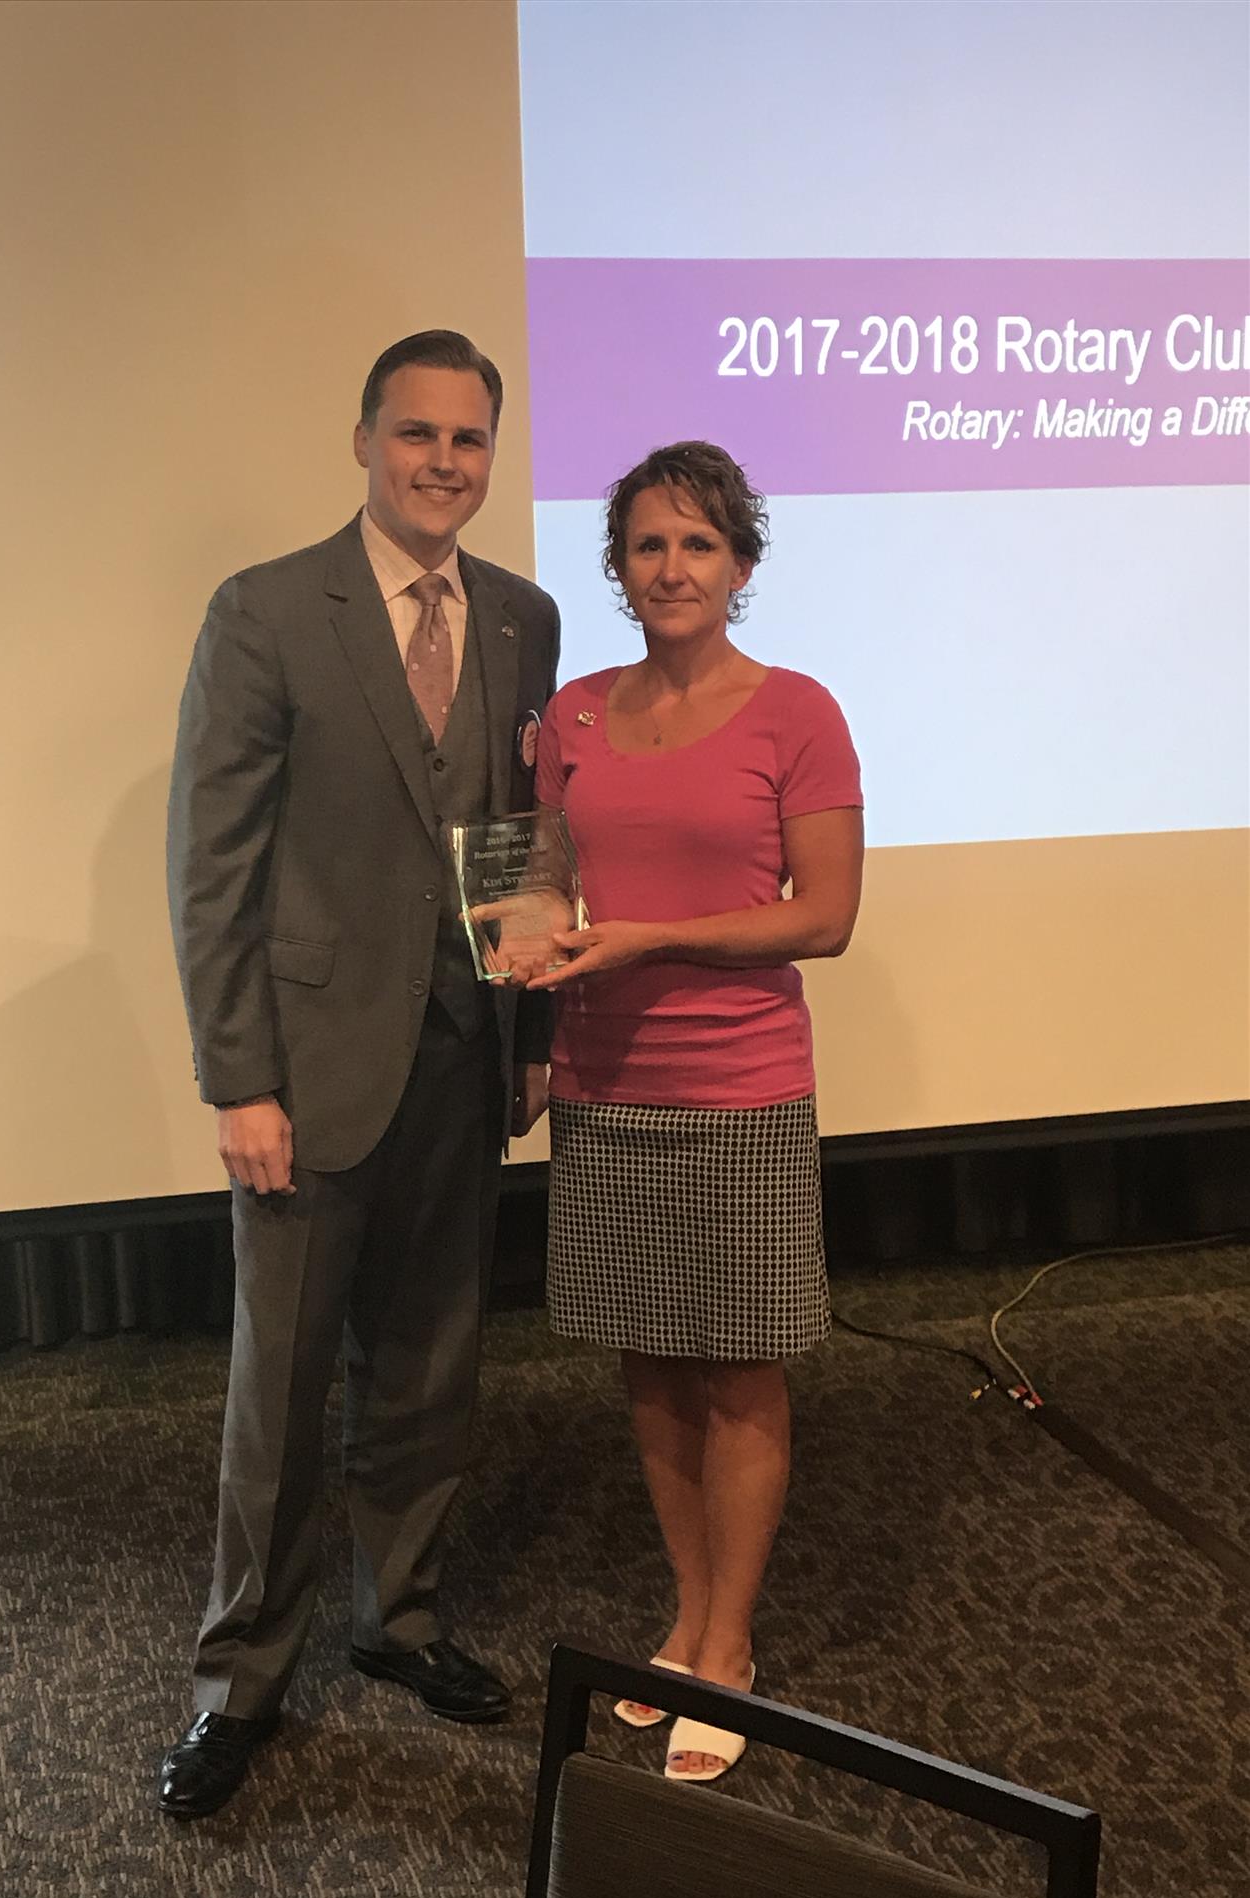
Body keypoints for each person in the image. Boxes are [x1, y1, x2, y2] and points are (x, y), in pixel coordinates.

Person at [160, 330, 559, 1819]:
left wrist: (531, 1040)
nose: (442, 462)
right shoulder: (266, 609)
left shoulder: (520, 616)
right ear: (363, 440)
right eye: (415, 434)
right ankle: (239, 1681)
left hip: (463, 1058)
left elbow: (519, 843)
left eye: (467, 439)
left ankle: (398, 1618)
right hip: (308, 1073)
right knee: (278, 1392)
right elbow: (214, 866)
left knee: (430, 1363)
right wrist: (238, 1080)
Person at [530, 441, 862, 1783]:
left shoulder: (797, 712)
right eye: (648, 545)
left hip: (740, 1091)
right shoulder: (571, 717)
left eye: (699, 544)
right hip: (603, 1085)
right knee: (651, 1364)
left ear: (740, 564)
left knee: (738, 1369)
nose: (672, 567)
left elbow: (823, 917)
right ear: (618, 568)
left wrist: (648, 939)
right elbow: (544, 889)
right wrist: (530, 954)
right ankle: (686, 1613)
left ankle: (727, 1652)